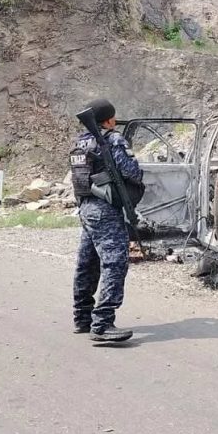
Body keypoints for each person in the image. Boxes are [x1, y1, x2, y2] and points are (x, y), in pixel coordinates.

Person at [69, 98, 142, 343]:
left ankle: (82, 318)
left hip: (86, 207)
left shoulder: (81, 142)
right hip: (105, 210)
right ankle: (102, 323)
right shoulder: (112, 139)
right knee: (115, 263)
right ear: (110, 120)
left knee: (87, 263)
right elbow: (131, 171)